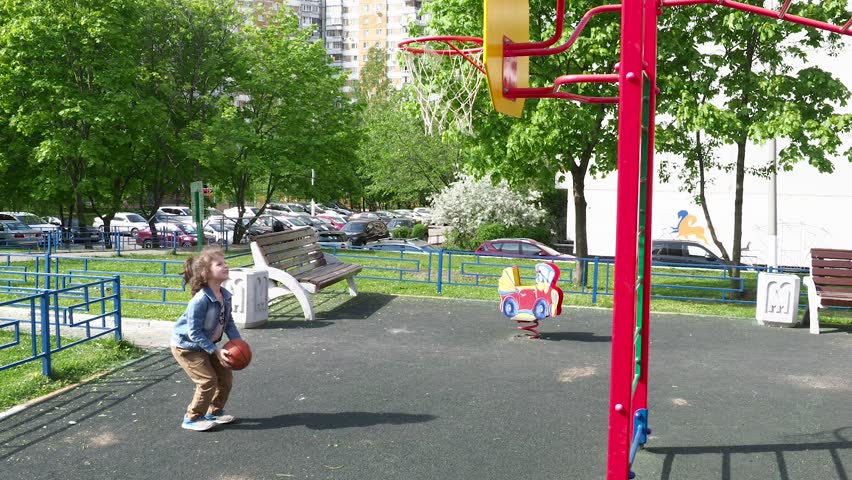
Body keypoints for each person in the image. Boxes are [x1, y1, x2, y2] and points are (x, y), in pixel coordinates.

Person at [170, 245, 242, 431]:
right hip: (187, 347)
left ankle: (214, 411)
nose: (226, 266)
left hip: (207, 344)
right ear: (205, 272)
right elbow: (194, 333)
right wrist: (215, 350)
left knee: (225, 377)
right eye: (220, 264)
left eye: (225, 263)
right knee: (207, 380)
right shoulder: (200, 300)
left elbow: (228, 323)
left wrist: (238, 342)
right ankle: (192, 417)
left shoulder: (225, 296)